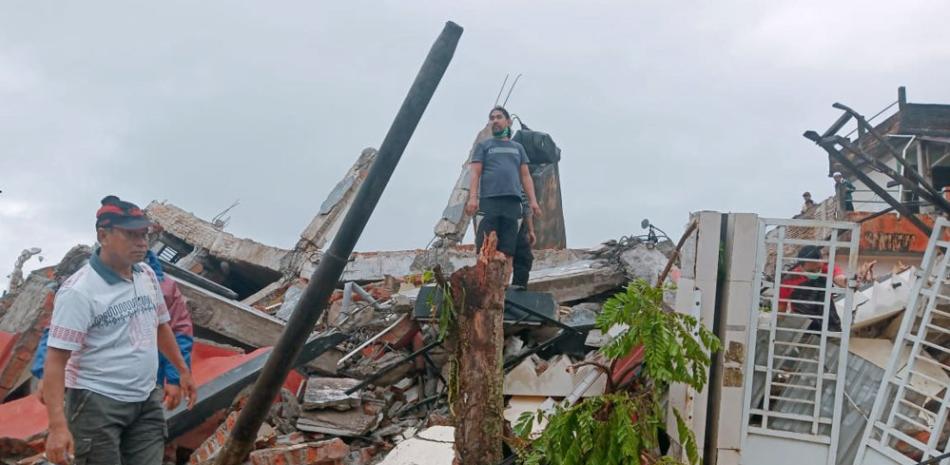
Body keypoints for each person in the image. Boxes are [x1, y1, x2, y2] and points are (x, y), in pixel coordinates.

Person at [43, 195, 196, 465]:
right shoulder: (79, 292)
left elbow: (162, 326)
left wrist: (182, 372)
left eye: (144, 234)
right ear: (103, 235)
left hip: (146, 398)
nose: (142, 243)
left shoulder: (146, 275)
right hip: (96, 403)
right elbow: (56, 360)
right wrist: (57, 426)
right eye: (131, 235)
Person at [32, 250, 194, 409]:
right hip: (91, 386)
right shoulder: (85, 285)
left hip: (145, 385)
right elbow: (56, 334)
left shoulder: (161, 285)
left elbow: (178, 332)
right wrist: (44, 373)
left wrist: (175, 378)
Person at [465, 106, 542, 258]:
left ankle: (503, 281)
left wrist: (533, 202)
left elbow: (526, 176)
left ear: (508, 121)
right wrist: (473, 198)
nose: (495, 121)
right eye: (492, 118)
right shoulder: (484, 146)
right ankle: (484, 279)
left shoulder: (518, 148)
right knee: (485, 247)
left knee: (508, 249)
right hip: (490, 201)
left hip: (512, 202)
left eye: (499, 117)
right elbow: (475, 173)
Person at [778, 246, 847, 332]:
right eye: (811, 271)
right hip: (803, 330)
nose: (816, 273)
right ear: (800, 267)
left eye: (818, 268)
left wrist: (848, 282)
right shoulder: (788, 280)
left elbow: (839, 278)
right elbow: (780, 312)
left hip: (830, 326)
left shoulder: (827, 267)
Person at [511, 192, 536, 290]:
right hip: (509, 219)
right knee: (522, 258)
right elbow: (524, 201)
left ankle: (517, 293)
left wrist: (530, 230)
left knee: (524, 258)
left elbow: (524, 202)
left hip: (514, 220)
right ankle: (516, 294)